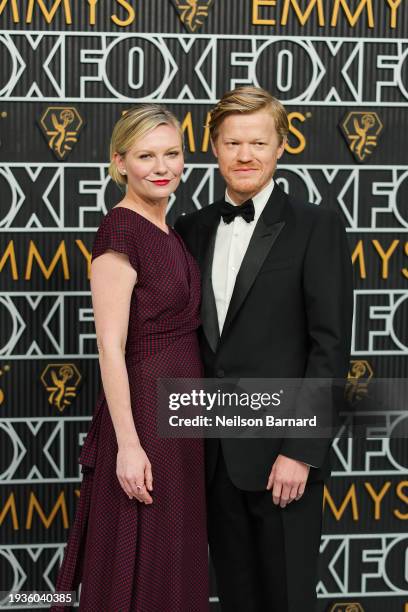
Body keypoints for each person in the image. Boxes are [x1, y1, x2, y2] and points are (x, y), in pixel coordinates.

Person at [175, 86, 353, 611]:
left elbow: (330, 346)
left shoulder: (315, 224)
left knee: (287, 600)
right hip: (212, 455)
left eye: (258, 142)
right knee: (236, 599)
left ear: (280, 148)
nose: (244, 155)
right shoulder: (191, 228)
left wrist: (300, 450)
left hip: (283, 458)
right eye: (232, 142)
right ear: (213, 146)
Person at [51, 105, 209, 611]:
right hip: (146, 420)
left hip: (184, 418)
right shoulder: (119, 230)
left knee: (174, 556)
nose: (162, 167)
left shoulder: (170, 231)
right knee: (139, 556)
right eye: (146, 156)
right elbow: (110, 347)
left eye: (172, 153)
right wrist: (128, 445)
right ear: (120, 162)